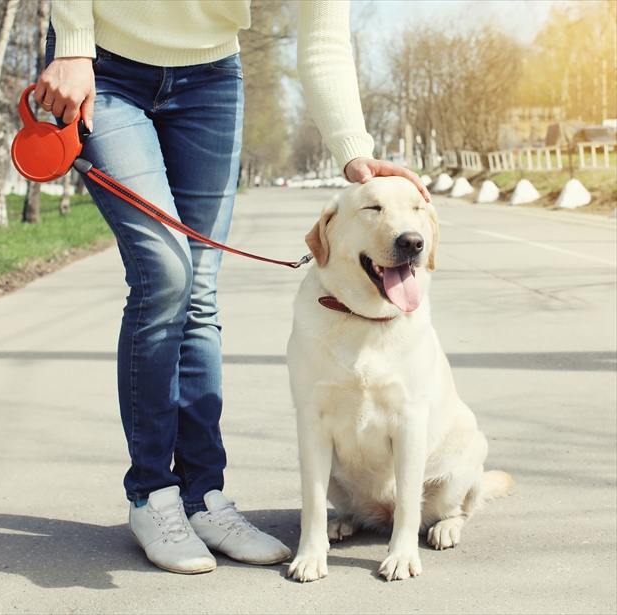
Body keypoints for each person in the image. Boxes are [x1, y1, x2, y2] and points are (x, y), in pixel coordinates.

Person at [35, 0, 431, 575]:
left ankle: (202, 498)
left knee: (198, 289)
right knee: (166, 272)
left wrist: (355, 152)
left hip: (210, 78)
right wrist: (72, 41)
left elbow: (322, 40)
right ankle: (151, 494)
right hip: (105, 65)